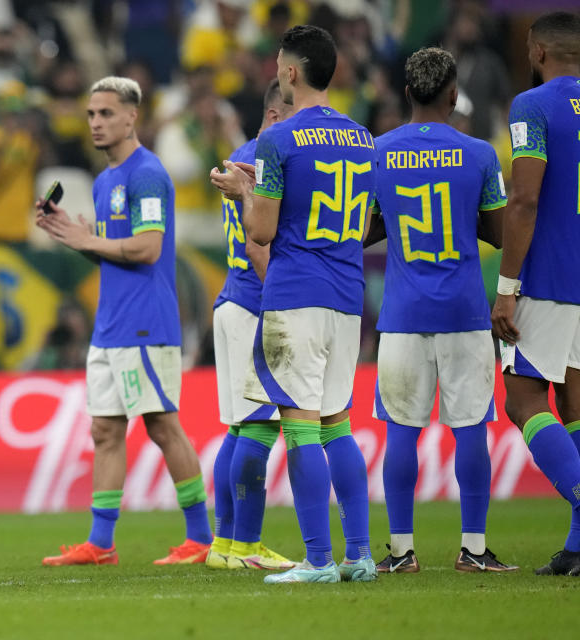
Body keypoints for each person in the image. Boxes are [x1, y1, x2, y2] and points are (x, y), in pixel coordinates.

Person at [210, 25, 376, 584]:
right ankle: (360, 556)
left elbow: (261, 231)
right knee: (338, 425)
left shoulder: (278, 140)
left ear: (290, 72)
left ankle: (319, 561)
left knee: (300, 427)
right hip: (348, 295)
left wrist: (243, 193)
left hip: (295, 294)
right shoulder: (362, 137)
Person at [38, 76, 214, 567]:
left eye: (107, 113)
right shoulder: (104, 181)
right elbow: (114, 254)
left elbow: (148, 248)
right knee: (105, 431)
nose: (96, 122)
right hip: (110, 324)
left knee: (162, 425)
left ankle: (201, 538)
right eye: (92, 114)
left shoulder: (147, 174)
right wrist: (72, 234)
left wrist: (87, 241)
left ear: (132, 116)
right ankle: (101, 543)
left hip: (145, 324)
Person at [369, 47, 516, 573]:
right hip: (464, 312)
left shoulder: (377, 152)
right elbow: (499, 235)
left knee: (401, 431)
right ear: (453, 94)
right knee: (471, 428)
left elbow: (365, 232)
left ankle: (401, 551)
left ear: (406, 92)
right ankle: (473, 550)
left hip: (403, 314)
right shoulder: (479, 154)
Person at [491, 11, 580, 577]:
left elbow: (523, 201)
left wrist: (505, 289)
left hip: (549, 280)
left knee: (522, 402)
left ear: (541, 51)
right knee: (574, 407)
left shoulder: (532, 107)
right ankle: (576, 548)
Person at [206, 80, 294, 571]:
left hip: (232, 299)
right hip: (256, 299)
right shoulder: (271, 157)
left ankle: (224, 545)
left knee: (241, 427)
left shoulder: (239, 154)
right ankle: (246, 546)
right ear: (278, 116)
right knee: (258, 426)